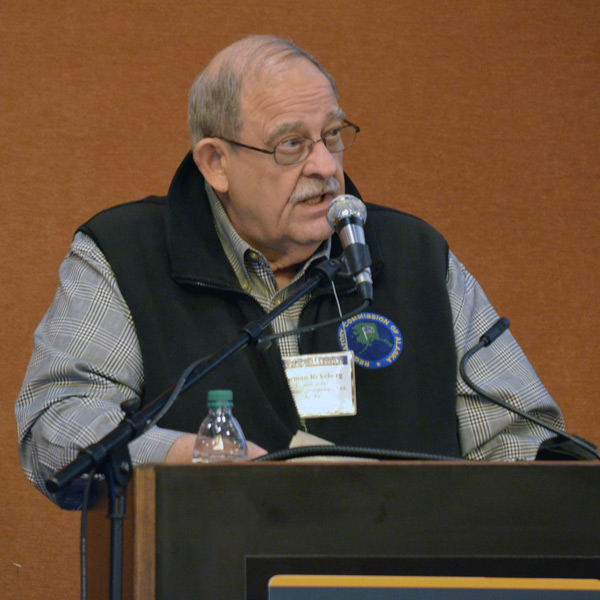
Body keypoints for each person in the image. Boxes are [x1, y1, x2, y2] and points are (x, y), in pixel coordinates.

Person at [16, 35, 564, 509]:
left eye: (332, 135)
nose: (325, 166)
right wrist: (189, 458)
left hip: (402, 569)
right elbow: (57, 427)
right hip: (213, 567)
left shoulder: (414, 256)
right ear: (216, 163)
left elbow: (521, 439)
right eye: (291, 144)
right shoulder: (126, 255)